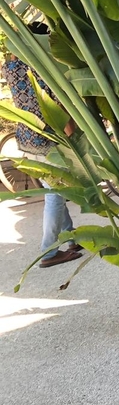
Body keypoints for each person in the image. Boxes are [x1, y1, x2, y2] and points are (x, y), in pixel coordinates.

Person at [2, 47, 82, 268]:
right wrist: (75, 141)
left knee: (53, 188)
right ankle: (49, 252)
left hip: (26, 139)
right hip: (47, 142)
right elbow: (59, 109)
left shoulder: (10, 68)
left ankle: (73, 238)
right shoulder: (43, 72)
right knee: (55, 195)